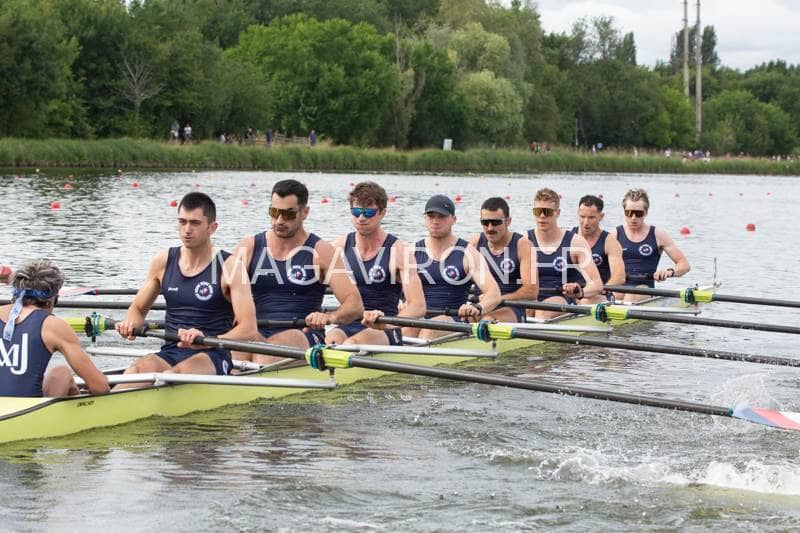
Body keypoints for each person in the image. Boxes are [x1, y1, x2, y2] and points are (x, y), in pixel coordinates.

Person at [114, 192, 257, 388]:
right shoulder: (163, 261)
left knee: (172, 377)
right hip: (170, 351)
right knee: (136, 370)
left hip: (212, 355)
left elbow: (249, 329)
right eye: (182, 222)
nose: (187, 230)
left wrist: (207, 340)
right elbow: (138, 309)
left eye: (195, 223)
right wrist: (131, 324)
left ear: (212, 227)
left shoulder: (231, 267)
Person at [233, 179, 363, 364]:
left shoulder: (321, 252)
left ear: (305, 212)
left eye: (288, 214)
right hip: (255, 332)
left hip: (303, 334)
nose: (279, 220)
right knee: (232, 355)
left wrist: (329, 317)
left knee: (265, 354)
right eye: (274, 212)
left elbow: (355, 305)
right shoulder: (249, 247)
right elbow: (220, 295)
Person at [326, 182, 426, 346]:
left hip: (384, 327)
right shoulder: (339, 247)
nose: (361, 218)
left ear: (382, 213)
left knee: (351, 345)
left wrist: (387, 323)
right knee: (331, 340)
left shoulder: (398, 252)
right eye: (356, 211)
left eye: (368, 212)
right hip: (350, 323)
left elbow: (418, 306)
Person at [1, 260, 109, 397]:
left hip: (5, 407)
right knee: (61, 373)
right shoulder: (53, 325)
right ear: (52, 298)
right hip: (29, 408)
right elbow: (100, 387)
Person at [404, 195, 501, 340]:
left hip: (453, 319)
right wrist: (399, 301)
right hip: (419, 316)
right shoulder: (411, 252)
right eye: (431, 216)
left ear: (454, 220)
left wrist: (477, 308)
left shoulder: (468, 254)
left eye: (441, 216)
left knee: (429, 330)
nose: (435, 221)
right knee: (403, 331)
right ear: (425, 218)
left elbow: (494, 294)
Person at [528, 188, 603, 319]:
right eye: (538, 211)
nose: (542, 216)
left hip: (562, 298)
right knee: (525, 311)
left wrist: (579, 292)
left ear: (557, 213)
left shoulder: (575, 242)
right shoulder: (524, 241)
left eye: (547, 212)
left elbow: (597, 284)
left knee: (542, 312)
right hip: (531, 298)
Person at [468, 197, 537, 322]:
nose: (490, 228)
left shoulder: (523, 245)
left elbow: (531, 291)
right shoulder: (474, 243)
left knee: (487, 321)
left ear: (508, 221)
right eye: (485, 222)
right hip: (479, 306)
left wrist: (496, 299)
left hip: (511, 308)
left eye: (495, 222)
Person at [614, 189, 690, 302]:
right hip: (618, 287)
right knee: (607, 296)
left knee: (630, 296)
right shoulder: (614, 235)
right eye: (629, 213)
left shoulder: (658, 235)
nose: (633, 217)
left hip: (644, 288)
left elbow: (684, 264)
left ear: (646, 212)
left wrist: (668, 272)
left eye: (638, 213)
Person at [572, 194, 625, 303]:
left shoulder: (610, 242)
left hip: (599, 294)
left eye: (591, 217)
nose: (586, 222)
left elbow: (619, 277)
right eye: (582, 217)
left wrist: (598, 290)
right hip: (572, 292)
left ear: (601, 216)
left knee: (586, 301)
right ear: (578, 214)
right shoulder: (569, 237)